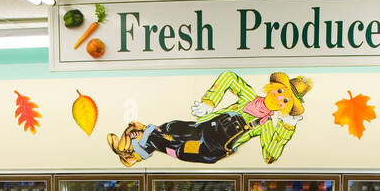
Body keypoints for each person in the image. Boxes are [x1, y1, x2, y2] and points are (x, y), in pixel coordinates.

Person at [107, 70, 312, 166]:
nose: (279, 99)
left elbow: (270, 156)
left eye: (286, 101)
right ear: (271, 88)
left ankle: (135, 144)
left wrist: (287, 129)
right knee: (171, 127)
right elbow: (229, 77)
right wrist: (209, 102)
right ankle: (135, 148)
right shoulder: (249, 95)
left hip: (210, 148)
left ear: (286, 109)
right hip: (202, 128)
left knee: (177, 147)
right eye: (279, 91)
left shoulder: (266, 126)